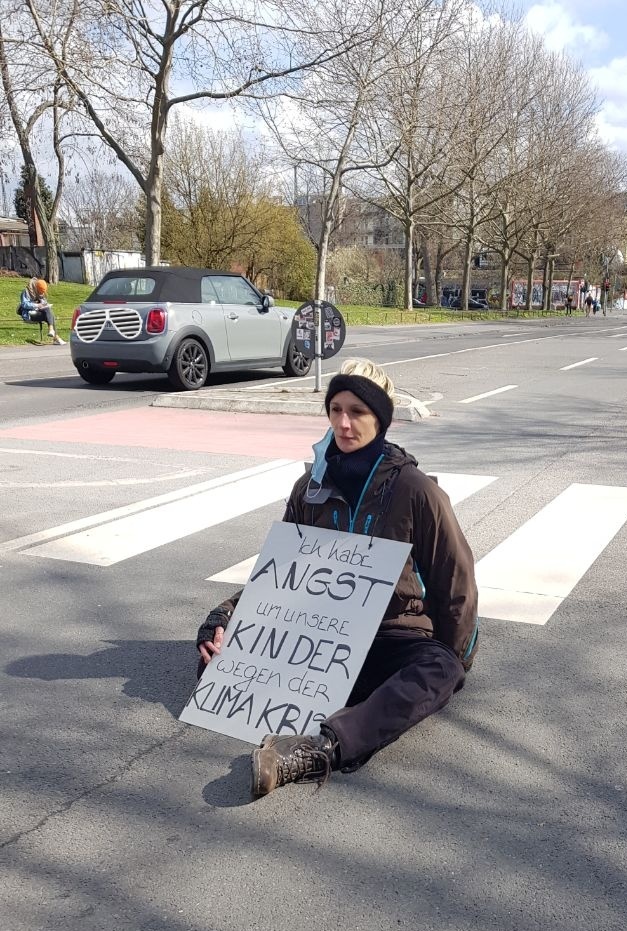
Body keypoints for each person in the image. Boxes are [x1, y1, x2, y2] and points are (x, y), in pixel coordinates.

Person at [196, 358, 479, 798]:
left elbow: (454, 577)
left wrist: (457, 655)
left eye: (358, 413)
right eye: (336, 410)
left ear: (380, 420)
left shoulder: (415, 490)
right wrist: (228, 615)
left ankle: (320, 748)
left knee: (438, 668)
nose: (344, 424)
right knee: (219, 647)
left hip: (392, 634)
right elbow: (280, 573)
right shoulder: (309, 488)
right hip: (318, 634)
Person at [18, 278, 65, 344]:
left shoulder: (40, 292)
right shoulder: (26, 292)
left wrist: (43, 304)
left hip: (38, 312)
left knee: (49, 311)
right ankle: (55, 336)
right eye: (40, 292)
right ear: (36, 288)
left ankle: (53, 332)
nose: (41, 294)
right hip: (29, 314)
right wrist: (37, 305)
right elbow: (24, 304)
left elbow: (43, 301)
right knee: (50, 315)